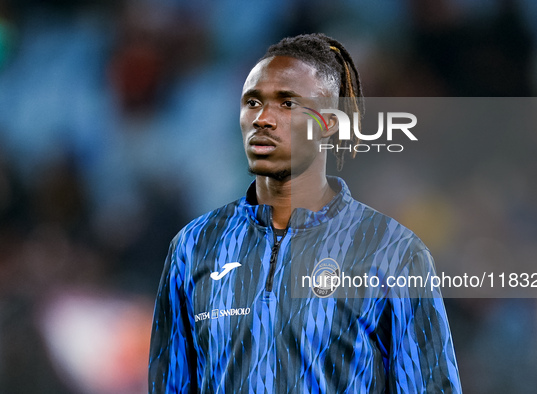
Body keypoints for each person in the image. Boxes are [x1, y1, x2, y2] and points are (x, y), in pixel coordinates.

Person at [149, 33, 462, 393]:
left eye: (287, 104)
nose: (263, 119)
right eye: (253, 102)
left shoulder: (395, 253)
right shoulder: (193, 247)